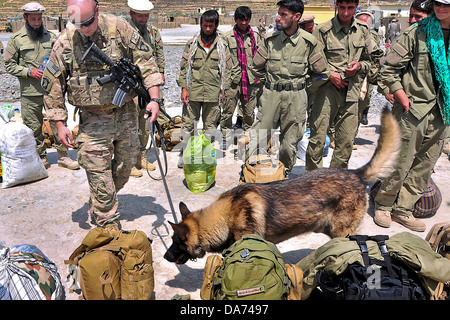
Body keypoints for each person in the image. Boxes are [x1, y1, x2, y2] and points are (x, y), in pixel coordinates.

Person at [41, 0, 163, 229]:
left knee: (125, 168)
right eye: (78, 23)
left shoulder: (120, 28)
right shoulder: (65, 41)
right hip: (92, 119)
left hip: (125, 114)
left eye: (88, 22)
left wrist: (154, 99)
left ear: (97, 10)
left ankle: (99, 199)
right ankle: (108, 227)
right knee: (99, 174)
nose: (84, 28)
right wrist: (59, 124)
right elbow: (53, 84)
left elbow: (146, 62)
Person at [373, 0, 450, 232]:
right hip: (414, 110)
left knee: (425, 165)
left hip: (442, 112)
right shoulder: (418, 32)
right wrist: (401, 96)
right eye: (437, 3)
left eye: (446, 3)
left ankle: (403, 210)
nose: (441, 7)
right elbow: (387, 68)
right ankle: (383, 206)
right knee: (399, 161)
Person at [246, 0, 329, 177]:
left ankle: (283, 178)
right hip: (271, 96)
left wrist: (304, 87)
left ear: (296, 17)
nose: (278, 17)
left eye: (283, 14)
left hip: (296, 98)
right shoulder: (270, 40)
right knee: (257, 138)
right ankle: (249, 176)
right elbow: (255, 68)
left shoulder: (309, 43)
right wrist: (268, 84)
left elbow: (323, 74)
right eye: (279, 13)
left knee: (289, 145)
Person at [4, 2, 79, 170]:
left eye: (39, 19)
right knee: (34, 127)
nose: (37, 23)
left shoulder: (51, 38)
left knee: (58, 121)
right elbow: (8, 65)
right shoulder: (16, 40)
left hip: (51, 92)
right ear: (25, 18)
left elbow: (61, 59)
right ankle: (41, 157)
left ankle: (63, 156)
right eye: (33, 19)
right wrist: (29, 71)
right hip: (30, 92)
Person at [306, 0, 372, 171]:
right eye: (342, 8)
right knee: (317, 140)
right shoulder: (323, 31)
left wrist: (359, 66)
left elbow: (371, 60)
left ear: (356, 6)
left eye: (350, 8)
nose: (345, 13)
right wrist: (330, 75)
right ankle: (312, 183)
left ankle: (335, 183)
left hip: (351, 92)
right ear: (336, 5)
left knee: (345, 143)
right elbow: (311, 61)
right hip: (325, 92)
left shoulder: (363, 30)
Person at [177, 10, 236, 167]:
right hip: (193, 92)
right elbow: (184, 68)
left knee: (210, 127)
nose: (207, 29)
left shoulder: (223, 45)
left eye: (211, 26)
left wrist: (225, 90)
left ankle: (205, 153)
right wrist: (183, 88)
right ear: (200, 25)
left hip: (213, 93)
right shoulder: (192, 44)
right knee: (188, 125)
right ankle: (185, 153)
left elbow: (228, 70)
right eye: (205, 26)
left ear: (216, 25)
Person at [128, 0, 167, 177]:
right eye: (140, 15)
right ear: (132, 15)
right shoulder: (124, 32)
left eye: (146, 15)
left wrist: (162, 73)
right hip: (129, 84)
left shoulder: (152, 32)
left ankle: (141, 156)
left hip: (147, 84)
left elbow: (159, 54)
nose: (143, 19)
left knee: (144, 121)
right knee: (129, 123)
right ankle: (127, 162)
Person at [220, 6, 263, 146]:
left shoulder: (255, 37)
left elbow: (261, 57)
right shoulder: (227, 37)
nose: (243, 23)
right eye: (240, 20)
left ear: (249, 19)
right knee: (227, 112)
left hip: (250, 81)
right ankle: (225, 138)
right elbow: (222, 60)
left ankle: (248, 138)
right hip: (232, 81)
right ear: (235, 19)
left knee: (249, 114)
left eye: (246, 20)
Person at [355, 10, 383, 127]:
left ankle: (363, 115)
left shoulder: (372, 36)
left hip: (367, 73)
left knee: (365, 97)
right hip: (356, 71)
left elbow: (376, 53)